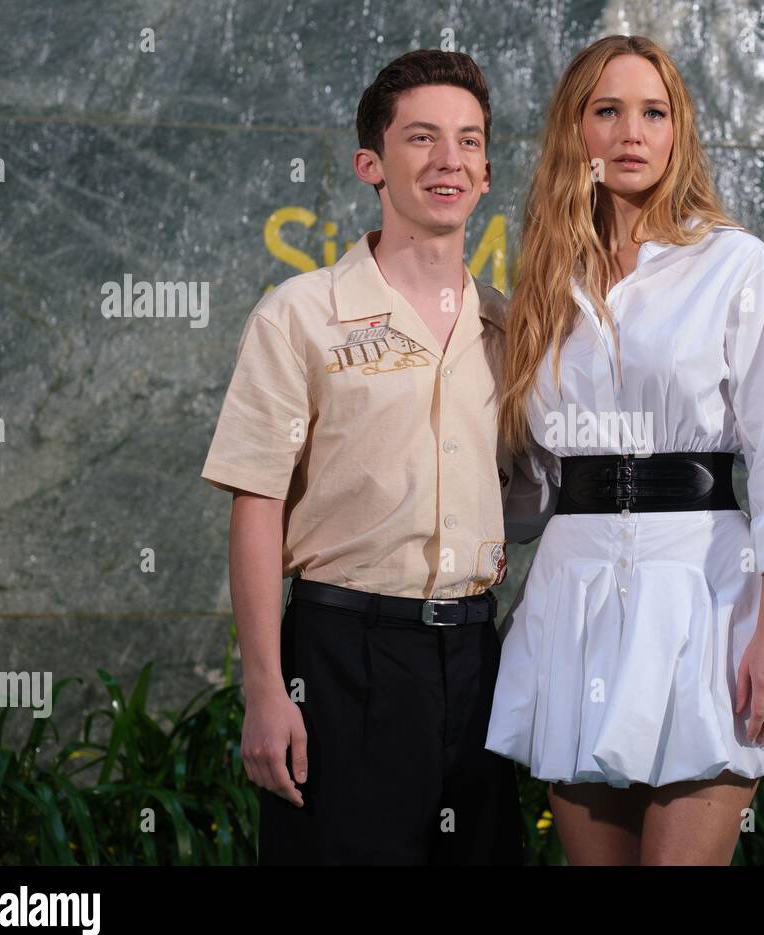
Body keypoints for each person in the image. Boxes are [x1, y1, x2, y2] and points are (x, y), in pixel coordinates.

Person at [486, 35, 764, 866]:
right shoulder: (540, 282)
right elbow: (529, 490)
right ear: (575, 132)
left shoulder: (735, 264)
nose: (632, 132)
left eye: (654, 112)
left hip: (708, 600)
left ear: (677, 133)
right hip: (573, 599)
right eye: (607, 111)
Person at [200, 50, 529, 865]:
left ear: (487, 173)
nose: (448, 160)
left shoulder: (512, 328)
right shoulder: (300, 316)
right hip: (343, 656)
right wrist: (266, 690)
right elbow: (257, 506)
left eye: (469, 141)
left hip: (480, 660)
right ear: (371, 165)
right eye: (422, 138)